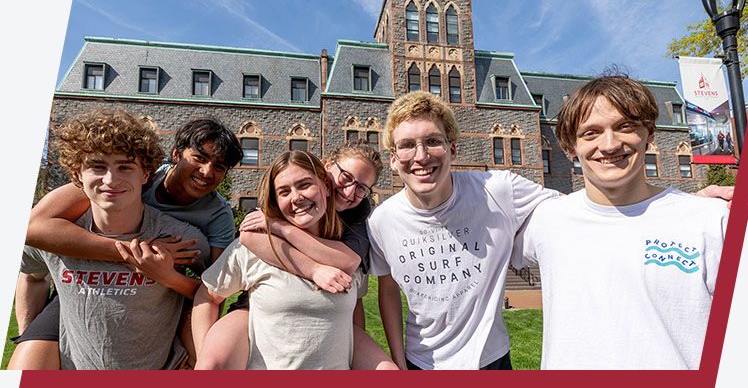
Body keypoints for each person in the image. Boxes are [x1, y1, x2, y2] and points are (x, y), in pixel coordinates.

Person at [511, 75, 729, 369]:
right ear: (570, 147)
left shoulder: (711, 221)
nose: (610, 144)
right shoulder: (547, 219)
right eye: (591, 133)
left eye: (625, 127)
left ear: (648, 134)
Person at [10, 116, 244, 369]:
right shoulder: (126, 176)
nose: (207, 172)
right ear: (176, 155)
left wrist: (197, 353)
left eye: (219, 166)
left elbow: (214, 289)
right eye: (199, 158)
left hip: (158, 294)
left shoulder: (216, 215)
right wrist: (131, 253)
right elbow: (32, 229)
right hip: (81, 285)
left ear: (142, 173)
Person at [368, 92, 560, 370]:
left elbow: (570, 216)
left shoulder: (498, 190)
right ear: (394, 159)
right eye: (407, 145)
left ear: (453, 150)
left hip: (491, 360)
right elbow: (387, 292)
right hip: (420, 362)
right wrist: (398, 363)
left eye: (433, 141)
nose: (421, 156)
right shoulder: (382, 221)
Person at [194, 143, 397, 370]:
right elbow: (243, 242)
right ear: (327, 170)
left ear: (325, 187)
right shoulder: (258, 239)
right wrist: (203, 354)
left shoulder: (353, 229)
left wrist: (284, 229)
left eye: (361, 188)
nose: (349, 192)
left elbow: (352, 288)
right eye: (346, 177)